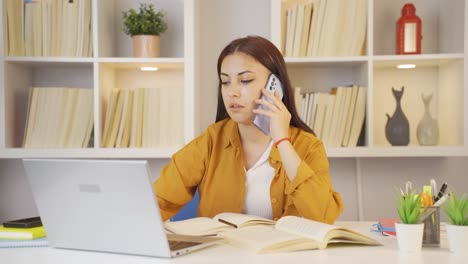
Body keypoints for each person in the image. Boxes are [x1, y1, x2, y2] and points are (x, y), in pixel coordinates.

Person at [154, 35, 343, 224]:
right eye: (225, 81)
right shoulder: (211, 141)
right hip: (220, 253)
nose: (231, 92)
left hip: (281, 254)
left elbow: (323, 217)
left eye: (245, 80)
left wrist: (282, 141)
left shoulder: (308, 146)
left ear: (275, 86)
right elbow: (158, 201)